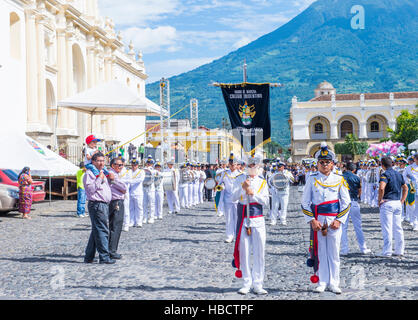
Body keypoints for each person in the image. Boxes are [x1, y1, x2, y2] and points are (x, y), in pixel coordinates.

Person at [301, 142, 351, 294]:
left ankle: (334, 282)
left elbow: (346, 202)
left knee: (334, 252)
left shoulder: (339, 179)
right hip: (318, 220)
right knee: (320, 251)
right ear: (317, 164)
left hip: (334, 219)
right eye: (321, 162)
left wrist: (339, 220)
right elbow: (305, 202)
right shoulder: (311, 179)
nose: (324, 165)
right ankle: (322, 281)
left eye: (327, 162)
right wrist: (312, 220)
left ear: (332, 164)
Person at [231, 155, 270, 295]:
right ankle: (247, 282)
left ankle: (258, 283)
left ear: (258, 167)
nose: (252, 167)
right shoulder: (240, 179)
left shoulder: (262, 182)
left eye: (255, 165)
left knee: (259, 252)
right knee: (245, 251)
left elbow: (265, 201)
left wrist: (252, 194)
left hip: (258, 219)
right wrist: (243, 188)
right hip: (244, 219)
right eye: (250, 165)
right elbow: (233, 198)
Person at [83, 152, 115, 264]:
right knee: (102, 230)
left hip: (103, 204)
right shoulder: (90, 174)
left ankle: (89, 256)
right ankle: (104, 257)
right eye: (99, 161)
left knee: (96, 231)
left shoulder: (102, 172)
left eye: (103, 161)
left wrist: (109, 179)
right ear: (93, 161)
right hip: (97, 204)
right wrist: (100, 178)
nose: (101, 163)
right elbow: (90, 189)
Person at [378, 157, 408, 257]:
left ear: (382, 165)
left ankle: (387, 251)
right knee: (398, 228)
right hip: (397, 202)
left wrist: (379, 200)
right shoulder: (399, 174)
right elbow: (405, 188)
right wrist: (402, 200)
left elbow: (382, 188)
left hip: (388, 202)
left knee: (387, 228)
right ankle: (400, 250)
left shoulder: (385, 174)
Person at [341, 162, 371, 255]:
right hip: (353, 201)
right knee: (358, 227)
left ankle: (344, 249)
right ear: (354, 170)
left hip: (342, 203)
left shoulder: (340, 177)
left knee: (343, 227)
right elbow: (359, 190)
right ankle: (363, 248)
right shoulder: (356, 177)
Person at [108, 157, 127, 260]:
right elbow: (124, 188)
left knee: (114, 226)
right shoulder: (113, 175)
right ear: (113, 165)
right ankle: (112, 250)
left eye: (122, 165)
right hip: (116, 201)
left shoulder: (114, 174)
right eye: (119, 165)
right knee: (116, 226)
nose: (121, 166)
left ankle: (111, 249)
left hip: (115, 200)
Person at [268, 160, 294, 226]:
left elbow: (293, 180)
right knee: (274, 206)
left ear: (283, 167)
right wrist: (272, 186)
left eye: (280, 166)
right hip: (276, 192)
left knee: (284, 206)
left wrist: (287, 177)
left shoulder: (287, 173)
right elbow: (269, 181)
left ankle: (283, 220)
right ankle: (273, 220)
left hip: (284, 192)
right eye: (278, 166)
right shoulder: (274, 173)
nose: (279, 168)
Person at [128, 158, 145, 228]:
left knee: (139, 207)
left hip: (138, 192)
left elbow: (140, 179)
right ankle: (132, 221)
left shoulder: (141, 171)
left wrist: (131, 181)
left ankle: (139, 222)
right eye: (132, 165)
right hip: (131, 192)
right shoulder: (129, 171)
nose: (133, 166)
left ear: (137, 165)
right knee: (131, 208)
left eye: (135, 165)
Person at [403, 153, 418, 231]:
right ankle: (415, 222)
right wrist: (409, 182)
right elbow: (404, 176)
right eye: (416, 158)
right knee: (414, 206)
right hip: (413, 188)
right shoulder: (409, 167)